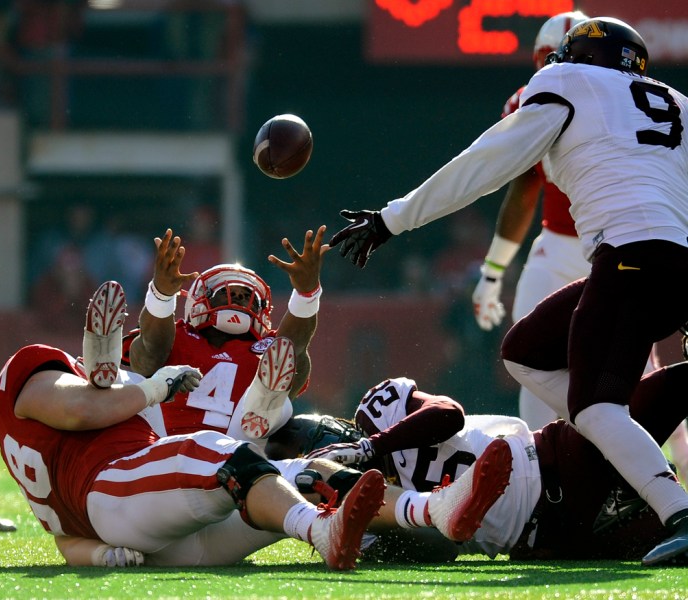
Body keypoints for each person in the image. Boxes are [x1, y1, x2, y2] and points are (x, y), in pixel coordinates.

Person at [327, 17, 688, 566]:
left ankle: (676, 511)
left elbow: (487, 164)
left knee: (594, 405)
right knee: (527, 350)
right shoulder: (677, 103)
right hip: (669, 260)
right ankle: (612, 455)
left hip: (629, 257)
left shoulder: (564, 82)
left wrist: (391, 221)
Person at [0, 280, 387, 570]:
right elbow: (81, 410)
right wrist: (154, 387)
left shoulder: (54, 454)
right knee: (220, 451)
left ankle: (428, 510)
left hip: (151, 527)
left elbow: (64, 535)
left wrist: (100, 554)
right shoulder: (36, 368)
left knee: (301, 474)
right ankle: (320, 529)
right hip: (128, 490)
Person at [269, 362, 688, 562]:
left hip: (564, 463)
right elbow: (440, 551)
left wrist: (373, 447)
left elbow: (448, 413)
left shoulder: (378, 418)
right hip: (553, 534)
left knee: (678, 383)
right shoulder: (367, 510)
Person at [471, 10, 588, 429]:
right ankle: (544, 470)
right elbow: (523, 191)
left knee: (632, 371)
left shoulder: (621, 104)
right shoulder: (528, 102)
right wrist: (493, 271)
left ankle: (667, 470)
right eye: (551, 60)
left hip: (617, 246)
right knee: (525, 354)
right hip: (556, 246)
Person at [126, 226, 328, 443]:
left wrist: (306, 295)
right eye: (226, 291)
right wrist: (162, 295)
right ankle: (97, 363)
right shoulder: (176, 334)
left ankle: (264, 402)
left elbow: (294, 347)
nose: (239, 296)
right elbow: (147, 357)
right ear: (201, 300)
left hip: (238, 450)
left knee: (291, 358)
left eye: (247, 295)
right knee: (137, 371)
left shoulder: (269, 345)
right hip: (166, 441)